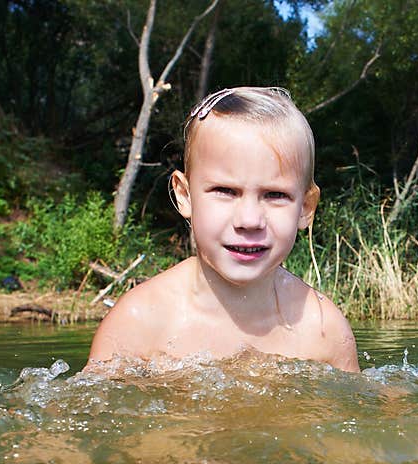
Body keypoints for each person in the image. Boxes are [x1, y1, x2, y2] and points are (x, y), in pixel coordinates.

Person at [85, 86, 360, 374]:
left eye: (275, 195)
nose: (249, 220)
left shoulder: (323, 331)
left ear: (305, 207)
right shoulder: (140, 323)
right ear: (185, 195)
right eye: (225, 191)